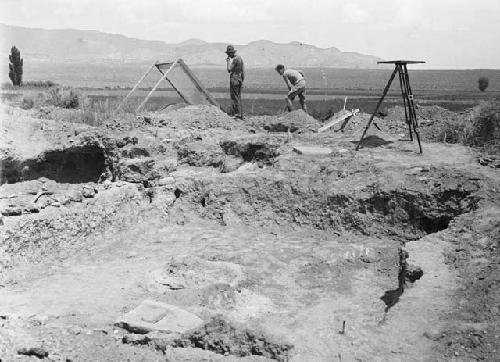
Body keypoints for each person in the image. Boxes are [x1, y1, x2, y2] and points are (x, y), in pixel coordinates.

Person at [225, 45, 245, 119]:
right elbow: (243, 71)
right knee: (238, 97)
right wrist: (242, 81)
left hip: (234, 79)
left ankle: (237, 114)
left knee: (234, 97)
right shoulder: (240, 58)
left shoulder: (235, 60)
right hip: (239, 79)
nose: (229, 55)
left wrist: (227, 62)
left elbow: (229, 70)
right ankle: (240, 114)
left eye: (229, 54)